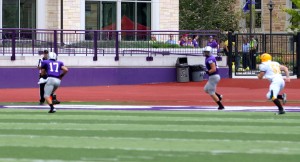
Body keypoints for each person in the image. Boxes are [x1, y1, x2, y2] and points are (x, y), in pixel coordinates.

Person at [203, 46, 224, 110]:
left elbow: (213, 69)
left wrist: (206, 72)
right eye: (205, 52)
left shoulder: (210, 59)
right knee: (206, 89)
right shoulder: (209, 58)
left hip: (214, 76)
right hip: (213, 76)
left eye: (207, 52)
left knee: (211, 92)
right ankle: (219, 96)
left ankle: (221, 106)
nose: (206, 53)